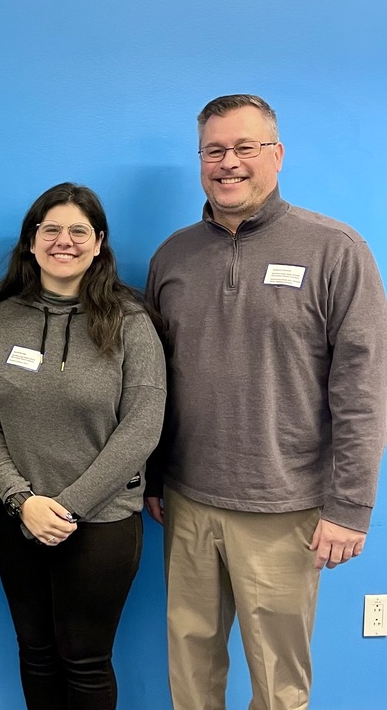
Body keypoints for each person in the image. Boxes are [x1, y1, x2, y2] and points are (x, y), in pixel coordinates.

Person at [145, 94, 387, 710]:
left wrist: (351, 506)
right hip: (187, 503)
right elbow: (152, 382)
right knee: (191, 674)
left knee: (279, 687)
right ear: (200, 160)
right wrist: (152, 478)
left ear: (276, 155)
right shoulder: (172, 257)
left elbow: (363, 388)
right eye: (214, 150)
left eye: (244, 148)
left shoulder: (336, 249)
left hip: (286, 511)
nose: (229, 163)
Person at [0, 182, 166, 710]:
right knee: (34, 652)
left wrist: (68, 508)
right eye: (51, 229)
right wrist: (22, 501)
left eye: (79, 231)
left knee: (84, 661)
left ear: (99, 243)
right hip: (18, 518)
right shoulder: (2, 317)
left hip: (101, 524)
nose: (64, 241)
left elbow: (142, 427)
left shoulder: (131, 322)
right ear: (31, 242)